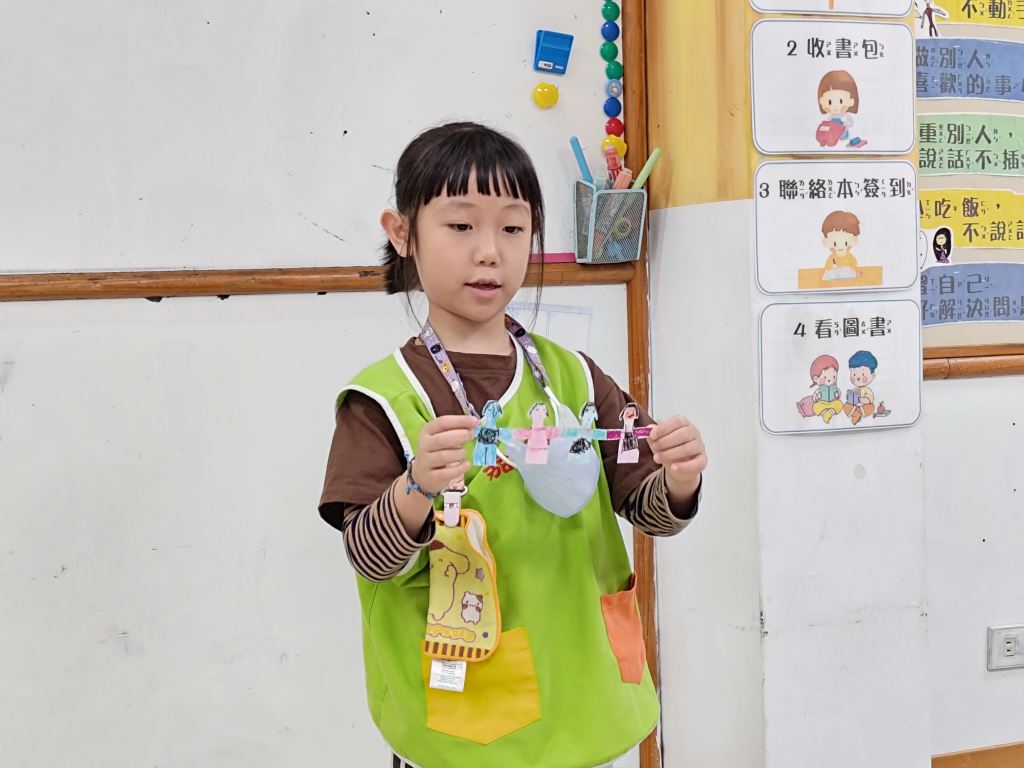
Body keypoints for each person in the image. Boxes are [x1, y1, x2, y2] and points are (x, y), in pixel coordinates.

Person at [318, 122, 707, 768]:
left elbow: (649, 510)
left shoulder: (574, 376)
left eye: (513, 227)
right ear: (402, 233)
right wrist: (416, 487)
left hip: (585, 707)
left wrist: (680, 478)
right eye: (460, 225)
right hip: (462, 728)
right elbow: (370, 558)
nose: (489, 252)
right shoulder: (383, 400)